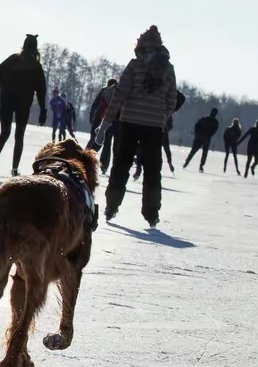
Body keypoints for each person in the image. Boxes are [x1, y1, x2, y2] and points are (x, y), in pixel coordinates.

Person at [94, 26, 177, 228]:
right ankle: (151, 213)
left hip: (130, 122)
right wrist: (161, 117)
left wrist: (105, 124)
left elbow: (119, 95)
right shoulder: (168, 69)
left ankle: (111, 206)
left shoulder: (134, 65)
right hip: (154, 127)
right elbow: (172, 99)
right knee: (152, 170)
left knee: (121, 165)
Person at [0, 34, 47, 176]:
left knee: (4, 132)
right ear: (35, 48)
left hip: (7, 100)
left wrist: (2, 84)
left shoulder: (13, 59)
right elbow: (41, 90)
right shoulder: (36, 66)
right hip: (23, 104)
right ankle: (14, 169)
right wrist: (43, 110)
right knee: (19, 136)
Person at [89, 79, 119, 175]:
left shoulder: (105, 91)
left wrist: (92, 115)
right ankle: (111, 168)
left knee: (103, 143)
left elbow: (95, 104)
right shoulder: (121, 91)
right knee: (114, 146)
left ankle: (100, 164)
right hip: (116, 121)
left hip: (106, 119)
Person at [182, 107, 219, 172]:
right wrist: (208, 135)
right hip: (206, 138)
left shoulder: (203, 118)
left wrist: (197, 133)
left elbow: (196, 126)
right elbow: (214, 131)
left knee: (193, 150)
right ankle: (201, 166)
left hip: (199, 136)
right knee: (204, 153)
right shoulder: (215, 122)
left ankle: (187, 162)